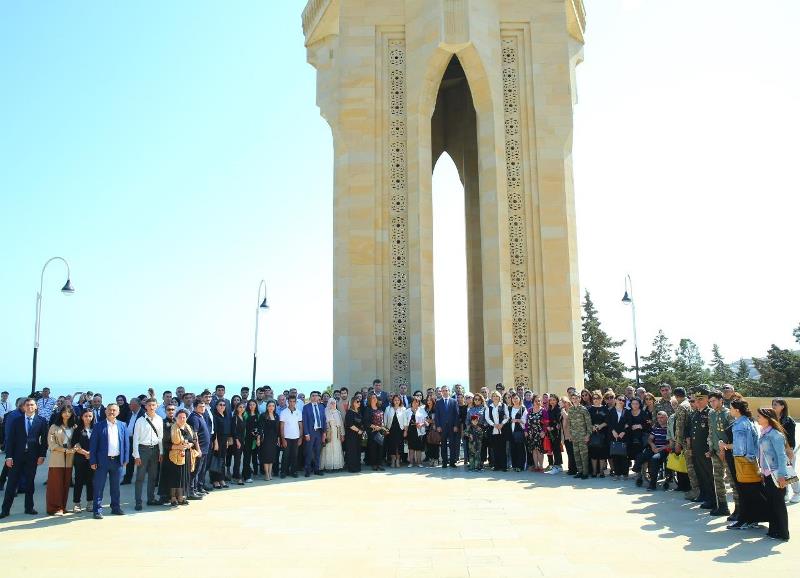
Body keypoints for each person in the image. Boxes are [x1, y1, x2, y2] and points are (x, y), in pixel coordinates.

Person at [720, 399, 766, 530]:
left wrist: (725, 446)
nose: (730, 410)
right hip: (751, 461)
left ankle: (744, 520)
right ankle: (752, 519)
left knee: (744, 492)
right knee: (752, 491)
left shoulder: (740, 425)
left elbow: (739, 447)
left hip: (742, 461)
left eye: (731, 408)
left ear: (737, 410)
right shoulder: (748, 421)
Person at [1, 398, 48, 518]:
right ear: (23, 407)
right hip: (16, 456)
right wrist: (9, 457)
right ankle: (5, 510)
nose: (29, 407)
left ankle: (29, 507)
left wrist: (42, 455)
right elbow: (10, 440)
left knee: (29, 483)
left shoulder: (41, 421)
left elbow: (44, 441)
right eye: (27, 405)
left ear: (36, 407)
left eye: (32, 405)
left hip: (32, 457)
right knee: (11, 483)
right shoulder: (16, 421)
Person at [89, 403, 130, 519]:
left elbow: (127, 444)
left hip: (117, 461)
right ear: (106, 411)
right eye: (110, 410)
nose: (112, 412)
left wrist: (126, 459)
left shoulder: (123, 425)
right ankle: (97, 510)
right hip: (102, 462)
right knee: (99, 486)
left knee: (116, 487)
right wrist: (93, 461)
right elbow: (93, 445)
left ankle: (115, 507)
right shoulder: (98, 426)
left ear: (118, 412)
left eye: (114, 410)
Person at [756, 408, 791, 541]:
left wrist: (782, 476)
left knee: (778, 503)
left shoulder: (775, 435)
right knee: (771, 502)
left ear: (767, 418)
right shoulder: (764, 433)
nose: (757, 418)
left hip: (776, 474)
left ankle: (783, 533)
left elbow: (781, 457)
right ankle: (774, 530)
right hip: (767, 473)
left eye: (759, 416)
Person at [130, 397, 163, 510]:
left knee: (153, 477)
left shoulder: (159, 419)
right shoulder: (140, 420)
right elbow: (135, 439)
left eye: (153, 405)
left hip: (155, 450)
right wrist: (136, 455)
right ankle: (138, 502)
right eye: (149, 405)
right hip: (143, 450)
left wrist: (161, 452)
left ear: (157, 406)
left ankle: (151, 499)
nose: (151, 407)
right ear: (145, 407)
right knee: (140, 477)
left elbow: (160, 437)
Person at [162, 409, 198, 507]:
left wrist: (189, 445)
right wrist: (178, 447)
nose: (182, 419)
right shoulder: (171, 428)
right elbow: (166, 444)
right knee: (174, 478)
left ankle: (181, 497)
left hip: (186, 455)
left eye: (184, 417)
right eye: (180, 417)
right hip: (174, 456)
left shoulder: (188, 427)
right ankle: (173, 498)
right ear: (176, 418)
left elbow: (193, 439)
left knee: (183, 477)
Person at [707, 391, 735, 516]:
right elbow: (711, 432)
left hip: (728, 452)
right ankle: (722, 506)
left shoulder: (728, 414)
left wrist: (725, 449)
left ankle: (738, 509)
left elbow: (732, 434)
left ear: (720, 400)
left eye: (714, 401)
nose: (712, 403)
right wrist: (711, 447)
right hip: (715, 451)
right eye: (710, 401)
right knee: (718, 480)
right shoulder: (711, 413)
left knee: (732, 481)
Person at [45, 404, 76, 515]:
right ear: (60, 413)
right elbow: (51, 444)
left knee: (66, 483)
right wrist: (64, 450)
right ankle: (54, 508)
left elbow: (77, 441)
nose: (67, 414)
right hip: (57, 458)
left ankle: (62, 506)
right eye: (64, 411)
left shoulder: (74, 427)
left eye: (69, 412)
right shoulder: (54, 426)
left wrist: (75, 449)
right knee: (55, 484)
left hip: (69, 459)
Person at [688, 386, 716, 509]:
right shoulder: (695, 414)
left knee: (709, 475)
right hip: (696, 450)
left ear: (707, 399)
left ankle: (711, 498)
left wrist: (710, 449)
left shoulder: (709, 413)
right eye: (696, 399)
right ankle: (704, 494)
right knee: (700, 474)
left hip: (706, 450)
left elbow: (711, 433)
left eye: (701, 399)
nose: (698, 402)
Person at [772, 398, 800, 503]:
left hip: (787, 451)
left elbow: (791, 439)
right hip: (776, 450)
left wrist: (789, 451)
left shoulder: (789, 421)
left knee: (790, 472)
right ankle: (785, 493)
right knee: (781, 473)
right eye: (773, 404)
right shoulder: (772, 419)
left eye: (776, 404)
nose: (773, 406)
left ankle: (797, 493)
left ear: (782, 406)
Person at [673, 387, 699, 500]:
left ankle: (695, 491)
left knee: (691, 468)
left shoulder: (682, 406)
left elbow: (680, 426)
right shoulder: (689, 404)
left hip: (685, 441)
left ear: (676, 396)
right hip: (692, 439)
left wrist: (678, 443)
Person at [71, 408, 95, 512]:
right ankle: (77, 503)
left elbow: (99, 443)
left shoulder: (96, 428)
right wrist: (86, 453)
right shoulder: (77, 429)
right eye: (86, 416)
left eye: (90, 416)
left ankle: (90, 502)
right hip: (80, 459)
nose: (88, 418)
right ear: (81, 417)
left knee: (91, 481)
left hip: (92, 459)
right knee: (79, 481)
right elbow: (75, 444)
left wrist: (91, 454)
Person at [186, 399, 210, 498]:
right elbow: (194, 435)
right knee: (195, 471)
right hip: (198, 450)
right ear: (195, 407)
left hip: (205, 448)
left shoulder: (201, 416)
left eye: (204, 406)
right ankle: (191, 492)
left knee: (200, 470)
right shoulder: (194, 417)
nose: (203, 408)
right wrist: (198, 449)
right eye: (200, 406)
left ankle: (196, 489)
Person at [301, 391, 326, 477]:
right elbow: (305, 421)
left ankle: (317, 469)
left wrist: (324, 433)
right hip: (310, 432)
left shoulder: (321, 407)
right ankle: (307, 470)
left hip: (319, 432)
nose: (315, 397)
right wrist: (306, 433)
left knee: (318, 452)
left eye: (316, 396)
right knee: (309, 452)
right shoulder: (306, 407)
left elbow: (324, 420)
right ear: (310, 397)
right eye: (313, 396)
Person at [434, 386, 460, 469]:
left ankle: (452, 462)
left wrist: (456, 425)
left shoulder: (454, 401)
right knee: (443, 445)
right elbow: (437, 416)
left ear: (449, 391)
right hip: (442, 427)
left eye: (446, 390)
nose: (445, 392)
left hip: (452, 427)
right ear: (441, 392)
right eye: (443, 391)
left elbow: (457, 414)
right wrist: (438, 426)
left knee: (452, 445)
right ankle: (444, 462)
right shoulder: (438, 402)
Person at [567, 393, 591, 479]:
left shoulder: (583, 409)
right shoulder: (570, 409)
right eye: (573, 398)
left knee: (583, 455)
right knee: (576, 454)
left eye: (576, 398)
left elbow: (588, 423)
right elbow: (569, 423)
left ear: (579, 399)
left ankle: (585, 472)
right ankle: (580, 471)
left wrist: (588, 435)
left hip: (583, 436)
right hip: (574, 436)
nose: (575, 400)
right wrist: (570, 434)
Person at [606, 394, 630, 480]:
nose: (621, 401)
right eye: (620, 399)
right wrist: (613, 431)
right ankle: (617, 474)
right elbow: (608, 422)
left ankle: (625, 474)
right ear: (615, 400)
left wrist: (624, 431)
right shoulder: (610, 411)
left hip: (624, 436)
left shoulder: (626, 411)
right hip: (613, 435)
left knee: (624, 455)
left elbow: (629, 423)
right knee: (615, 455)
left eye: (623, 400)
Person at [484, 391, 509, 472]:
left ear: (499, 397)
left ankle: (504, 466)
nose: (495, 397)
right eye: (494, 396)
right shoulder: (489, 407)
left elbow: (507, 416)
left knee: (502, 449)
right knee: (495, 449)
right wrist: (494, 425)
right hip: (493, 430)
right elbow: (487, 418)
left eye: (497, 396)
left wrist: (502, 424)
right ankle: (497, 466)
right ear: (492, 397)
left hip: (502, 430)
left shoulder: (503, 405)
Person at [279, 395, 303, 478]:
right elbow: (281, 427)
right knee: (285, 456)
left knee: (294, 456)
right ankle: (283, 472)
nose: (292, 403)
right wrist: (283, 439)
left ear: (296, 402)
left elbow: (300, 426)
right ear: (287, 402)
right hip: (287, 438)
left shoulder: (299, 412)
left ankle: (294, 472)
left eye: (293, 401)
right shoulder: (283, 412)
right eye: (290, 401)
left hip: (296, 438)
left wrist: (300, 438)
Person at [210, 400, 231, 489]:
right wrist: (216, 443)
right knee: (216, 461)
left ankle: (221, 479)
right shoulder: (215, 416)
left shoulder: (226, 416)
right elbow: (215, 431)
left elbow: (227, 430)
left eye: (223, 405)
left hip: (224, 440)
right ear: (216, 406)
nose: (222, 406)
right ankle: (215, 480)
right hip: (217, 441)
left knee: (222, 460)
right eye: (220, 405)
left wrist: (227, 441)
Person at [384, 394, 408, 468]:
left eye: (398, 400)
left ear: (400, 401)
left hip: (400, 430)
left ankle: (398, 460)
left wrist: (405, 431)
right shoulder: (388, 408)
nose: (396, 401)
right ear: (392, 401)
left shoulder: (403, 409)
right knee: (391, 446)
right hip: (390, 430)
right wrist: (385, 429)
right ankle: (393, 460)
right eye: (395, 400)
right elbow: (385, 420)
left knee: (399, 446)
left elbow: (405, 421)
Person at [258, 400, 280, 480]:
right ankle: (266, 474)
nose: (271, 407)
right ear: (267, 407)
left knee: (272, 457)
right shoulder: (263, 415)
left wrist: (278, 438)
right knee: (266, 456)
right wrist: (259, 438)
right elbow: (260, 428)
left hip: (273, 439)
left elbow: (277, 429)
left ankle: (270, 473)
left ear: (275, 407)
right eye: (269, 406)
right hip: (265, 439)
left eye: (273, 406)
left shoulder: (276, 416)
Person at [363, 393, 386, 471]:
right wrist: (375, 427)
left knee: (380, 448)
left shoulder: (380, 408)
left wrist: (382, 426)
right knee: (373, 448)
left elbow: (382, 419)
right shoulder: (367, 409)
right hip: (372, 432)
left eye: (375, 397)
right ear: (369, 399)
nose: (374, 399)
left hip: (380, 431)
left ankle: (379, 464)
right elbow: (366, 422)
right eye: (372, 398)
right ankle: (374, 464)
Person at [321, 398, 345, 471]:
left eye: (334, 403)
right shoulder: (325, 411)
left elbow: (341, 424)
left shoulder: (338, 412)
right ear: (328, 403)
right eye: (331, 403)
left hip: (337, 434)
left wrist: (342, 434)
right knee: (328, 449)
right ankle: (328, 466)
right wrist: (324, 433)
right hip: (329, 433)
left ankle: (337, 466)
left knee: (337, 448)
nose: (333, 404)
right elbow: (324, 423)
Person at [344, 397, 365, 473]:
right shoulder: (349, 412)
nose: (359, 403)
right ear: (353, 402)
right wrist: (358, 430)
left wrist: (362, 429)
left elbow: (361, 422)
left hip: (358, 435)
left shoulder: (358, 411)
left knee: (357, 451)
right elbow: (350, 424)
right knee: (352, 451)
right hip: (351, 436)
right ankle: (352, 468)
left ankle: (357, 467)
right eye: (357, 401)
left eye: (360, 402)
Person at [508, 393, 527, 472]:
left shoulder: (523, 409)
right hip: (511, 431)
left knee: (520, 448)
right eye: (513, 398)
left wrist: (517, 420)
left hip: (519, 431)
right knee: (513, 448)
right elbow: (508, 418)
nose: (515, 400)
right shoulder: (509, 408)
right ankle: (515, 465)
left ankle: (520, 466)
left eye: (516, 398)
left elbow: (525, 421)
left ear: (519, 399)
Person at [242, 400, 260, 483]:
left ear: (256, 405)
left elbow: (260, 427)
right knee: (247, 458)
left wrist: (258, 436)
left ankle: (255, 472)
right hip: (247, 439)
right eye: (250, 405)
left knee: (255, 458)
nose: (252, 406)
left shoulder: (258, 415)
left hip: (255, 440)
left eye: (253, 404)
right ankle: (246, 476)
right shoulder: (245, 414)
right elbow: (243, 427)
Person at [406, 396, 426, 467]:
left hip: (419, 431)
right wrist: (405, 431)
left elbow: (426, 421)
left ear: (419, 403)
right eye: (414, 401)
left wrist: (421, 424)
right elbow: (405, 422)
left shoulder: (422, 410)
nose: (415, 403)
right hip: (410, 431)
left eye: (417, 402)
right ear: (412, 403)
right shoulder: (408, 411)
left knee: (418, 448)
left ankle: (419, 463)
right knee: (411, 448)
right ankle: (411, 462)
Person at [231, 402, 246, 484]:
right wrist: (237, 441)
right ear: (237, 408)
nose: (242, 408)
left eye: (243, 407)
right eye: (240, 407)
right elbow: (233, 430)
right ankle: (237, 477)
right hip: (237, 440)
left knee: (239, 459)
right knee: (237, 459)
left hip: (242, 440)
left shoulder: (243, 417)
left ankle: (235, 475)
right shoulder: (235, 418)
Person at [423, 395, 439, 466]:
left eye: (430, 400)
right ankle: (431, 459)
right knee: (428, 445)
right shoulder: (425, 409)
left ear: (433, 401)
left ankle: (436, 459)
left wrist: (429, 420)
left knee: (435, 445)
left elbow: (436, 420)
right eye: (427, 400)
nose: (428, 401)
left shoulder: (436, 409)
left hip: (434, 429)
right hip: (426, 429)